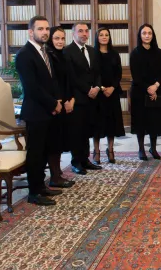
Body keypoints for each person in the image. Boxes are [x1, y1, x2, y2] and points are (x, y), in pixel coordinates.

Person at [15, 16, 63, 206]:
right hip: (36, 111)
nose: (45, 32)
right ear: (30, 31)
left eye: (47, 29)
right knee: (35, 153)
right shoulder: (25, 55)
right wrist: (53, 104)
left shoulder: (45, 52)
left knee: (44, 151)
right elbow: (32, 87)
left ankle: (41, 186)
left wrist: (56, 101)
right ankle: (33, 193)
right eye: (40, 29)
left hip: (48, 110)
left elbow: (50, 81)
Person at [63, 23, 102, 175]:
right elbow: (72, 76)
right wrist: (87, 90)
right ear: (73, 33)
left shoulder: (92, 51)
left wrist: (97, 87)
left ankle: (85, 160)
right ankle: (76, 162)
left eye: (86, 31)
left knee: (87, 131)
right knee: (76, 131)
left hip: (92, 98)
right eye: (80, 31)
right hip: (77, 97)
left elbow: (98, 72)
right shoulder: (68, 51)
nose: (84, 34)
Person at [130, 24, 161, 161]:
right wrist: (149, 88)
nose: (147, 35)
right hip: (140, 92)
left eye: (149, 33)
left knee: (154, 121)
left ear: (153, 35)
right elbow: (136, 76)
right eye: (144, 33)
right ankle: (141, 149)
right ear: (140, 35)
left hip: (156, 91)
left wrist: (156, 86)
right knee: (141, 122)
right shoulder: (135, 53)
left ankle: (153, 148)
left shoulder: (159, 52)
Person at [46, 26, 75, 188]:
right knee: (54, 142)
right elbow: (52, 82)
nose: (60, 41)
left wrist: (71, 99)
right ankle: (55, 176)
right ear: (51, 39)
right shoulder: (49, 56)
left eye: (62, 38)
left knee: (61, 139)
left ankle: (57, 173)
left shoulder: (64, 55)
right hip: (55, 104)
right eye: (56, 38)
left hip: (66, 102)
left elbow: (69, 80)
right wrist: (61, 101)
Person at [92, 27, 126, 164]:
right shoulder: (93, 54)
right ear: (97, 37)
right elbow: (93, 74)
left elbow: (118, 74)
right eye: (101, 35)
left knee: (111, 123)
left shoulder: (114, 54)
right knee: (98, 124)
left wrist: (112, 87)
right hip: (98, 94)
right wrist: (101, 87)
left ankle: (110, 150)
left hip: (112, 92)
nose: (104, 37)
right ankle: (96, 151)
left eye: (106, 35)